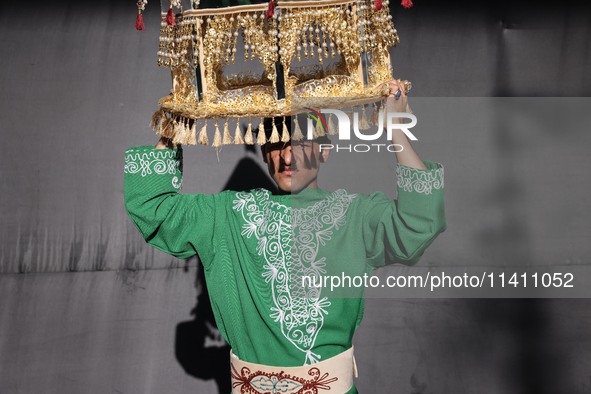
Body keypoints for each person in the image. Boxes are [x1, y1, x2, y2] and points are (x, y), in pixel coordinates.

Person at [124, 80, 446, 393]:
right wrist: (175, 126)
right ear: (265, 152)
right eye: (277, 142)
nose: (288, 156)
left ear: (324, 151)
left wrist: (397, 129)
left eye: (302, 141)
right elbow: (152, 207)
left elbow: (419, 222)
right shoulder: (229, 215)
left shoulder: (355, 216)